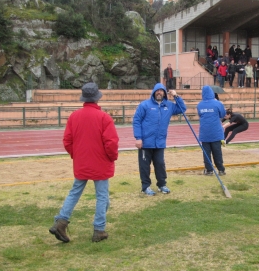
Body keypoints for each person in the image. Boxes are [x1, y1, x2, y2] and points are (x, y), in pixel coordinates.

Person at [49, 82, 119, 243]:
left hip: (82, 161)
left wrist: (77, 155)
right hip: (100, 162)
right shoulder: (104, 118)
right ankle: (99, 229)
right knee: (102, 196)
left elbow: (67, 141)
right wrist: (112, 157)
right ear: (97, 98)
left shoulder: (74, 116)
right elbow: (111, 142)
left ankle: (61, 220)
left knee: (74, 192)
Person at [133, 83, 186, 196]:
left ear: (165, 93)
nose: (159, 93)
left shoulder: (169, 105)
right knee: (144, 166)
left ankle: (162, 184)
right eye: (157, 91)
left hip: (160, 142)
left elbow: (182, 109)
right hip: (145, 143)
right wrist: (138, 138)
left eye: (161, 91)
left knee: (160, 164)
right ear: (154, 92)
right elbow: (136, 121)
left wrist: (176, 96)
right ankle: (145, 186)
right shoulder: (145, 105)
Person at [197, 85, 226, 176]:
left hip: (204, 133)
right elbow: (222, 114)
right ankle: (221, 169)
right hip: (216, 132)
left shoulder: (200, 105)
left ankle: (209, 170)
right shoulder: (218, 103)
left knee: (206, 153)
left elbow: (200, 115)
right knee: (217, 152)